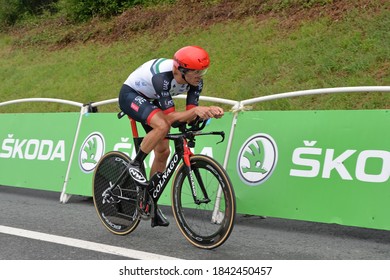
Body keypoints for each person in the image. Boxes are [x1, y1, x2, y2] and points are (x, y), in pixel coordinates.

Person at [118, 46, 224, 227]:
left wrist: (207, 112)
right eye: (196, 72)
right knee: (162, 125)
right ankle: (135, 164)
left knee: (163, 151)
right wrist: (197, 111)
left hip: (151, 100)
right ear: (181, 70)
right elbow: (169, 119)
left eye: (203, 71)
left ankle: (149, 203)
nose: (200, 76)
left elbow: (189, 115)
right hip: (131, 95)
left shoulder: (195, 82)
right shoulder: (163, 78)